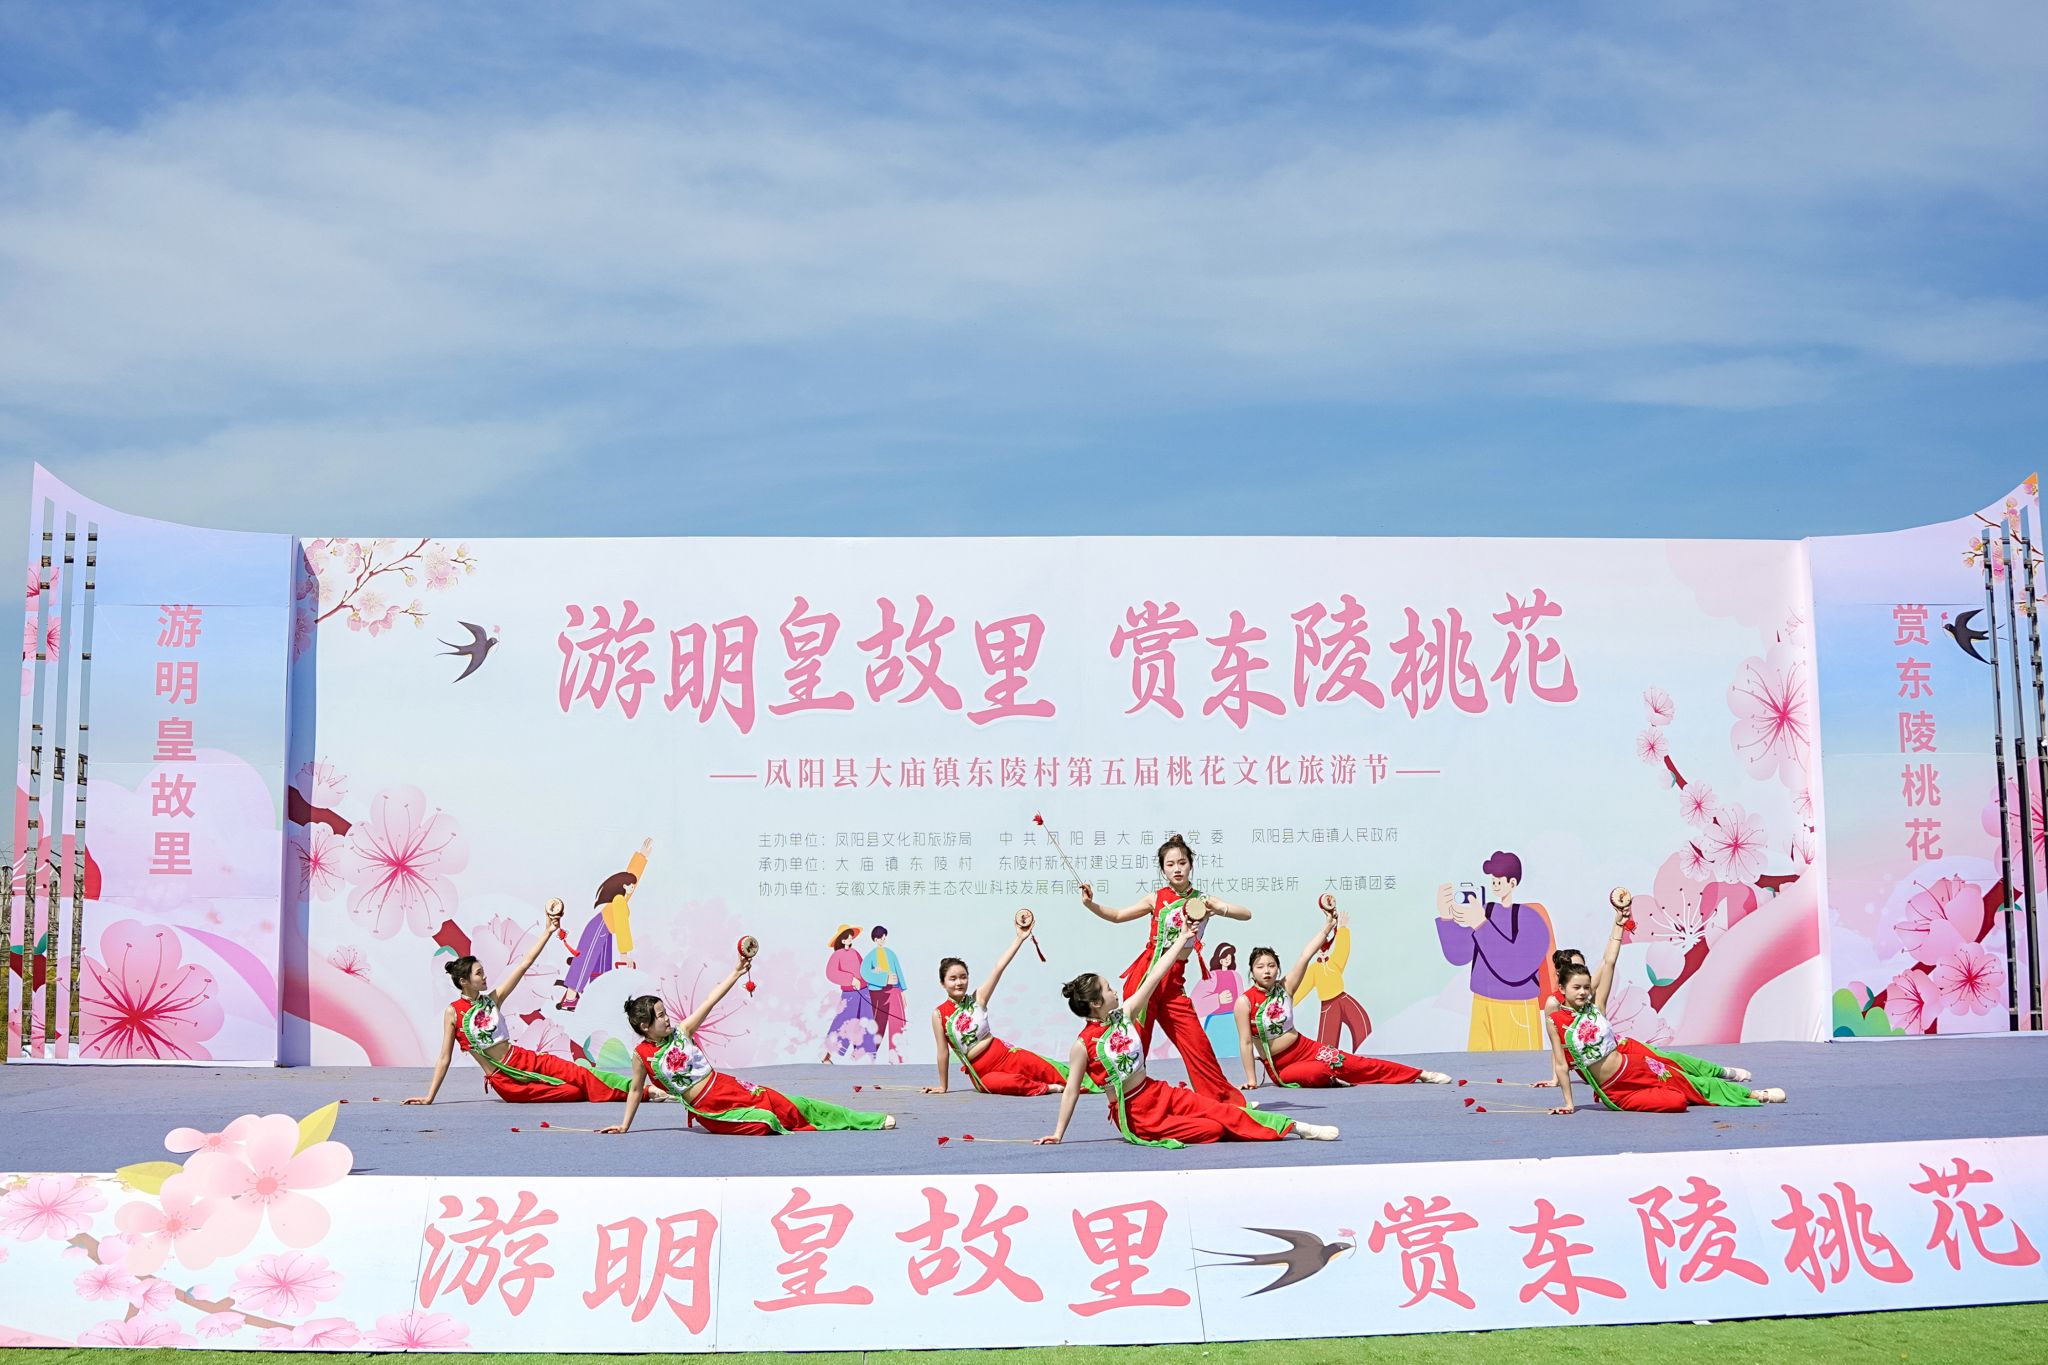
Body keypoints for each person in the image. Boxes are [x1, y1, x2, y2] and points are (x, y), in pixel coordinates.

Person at [1038, 925, 1337, 1148]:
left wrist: (1181, 941)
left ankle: (1293, 1127)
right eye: (1108, 989)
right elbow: (1071, 1091)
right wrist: (1057, 1133)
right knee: (1212, 1130)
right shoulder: (1082, 1046)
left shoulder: (1125, 1014)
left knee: (1220, 1110)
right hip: (1137, 1115)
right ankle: (1249, 1128)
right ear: (1095, 1003)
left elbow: (1155, 975)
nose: (1115, 990)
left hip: (1157, 1092)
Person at [607, 945, 896, 1136]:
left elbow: (710, 999)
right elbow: (636, 1090)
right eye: (660, 1016)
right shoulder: (641, 1056)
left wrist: (736, 972)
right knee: (765, 1121)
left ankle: (864, 1120)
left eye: (665, 1013)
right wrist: (624, 1125)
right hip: (710, 1110)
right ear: (645, 1026)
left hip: (727, 1087)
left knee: (790, 1105)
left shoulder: (682, 1031)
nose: (667, 1019)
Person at [1548, 891, 1785, 1114]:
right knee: (1676, 1101)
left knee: (1682, 1073)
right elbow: (1560, 1063)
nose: (1583, 992)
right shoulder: (1555, 1018)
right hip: (1616, 1090)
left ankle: (1750, 1093)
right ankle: (1688, 1088)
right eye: (1576, 988)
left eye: (1585, 987)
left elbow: (1608, 961)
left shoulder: (1595, 1007)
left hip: (1632, 1063)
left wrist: (1619, 923)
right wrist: (1568, 1103)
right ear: (1562, 987)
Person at [1079, 834, 1252, 1105]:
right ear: (1163, 870)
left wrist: (1221, 907)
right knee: (1135, 1042)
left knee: (1197, 1043)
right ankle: (1128, 1100)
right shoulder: (1155, 898)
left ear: (1191, 864)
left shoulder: (1203, 900)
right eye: (1170, 865)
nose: (1177, 869)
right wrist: (1090, 904)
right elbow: (1117, 916)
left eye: (1182, 862)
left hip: (1173, 982)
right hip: (1146, 977)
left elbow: (1246, 914)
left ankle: (1222, 1102)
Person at [407, 899, 628, 1104]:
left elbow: (524, 965)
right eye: (478, 973)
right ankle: (628, 1092)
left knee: (579, 1074)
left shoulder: (493, 1000)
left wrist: (548, 932)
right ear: (464, 981)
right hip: (506, 1081)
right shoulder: (453, 1012)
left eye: (483, 971)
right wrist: (429, 1097)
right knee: (573, 1092)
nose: (484, 976)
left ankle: (637, 1091)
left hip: (523, 1059)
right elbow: (444, 1057)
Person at [1237, 897, 1450, 1090]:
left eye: (1271, 966)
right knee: (1319, 1072)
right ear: (1252, 971)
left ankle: (1420, 1074)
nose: (1266, 971)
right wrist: (1252, 1080)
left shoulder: (1285, 987)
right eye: (1260, 967)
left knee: (1357, 1063)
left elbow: (1305, 955)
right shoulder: (1244, 1002)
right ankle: (1331, 1077)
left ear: (1278, 969)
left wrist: (1328, 926)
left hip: (1305, 1048)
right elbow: (1246, 1043)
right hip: (1281, 1067)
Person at [924, 911, 1092, 1096]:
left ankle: (1094, 1081)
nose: (959, 982)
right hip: (983, 1074)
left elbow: (999, 968)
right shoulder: (939, 1014)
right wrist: (943, 1087)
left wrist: (1019, 938)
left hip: (1005, 1054)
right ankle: (1048, 1088)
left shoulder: (978, 998)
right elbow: (943, 1052)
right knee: (1008, 1084)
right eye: (953, 978)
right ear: (942, 983)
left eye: (963, 977)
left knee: (1048, 1069)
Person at [1434, 851, 1557, 1050]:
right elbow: (1458, 955)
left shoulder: (1530, 918)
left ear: (1512, 883)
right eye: (1493, 881)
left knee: (1519, 1066)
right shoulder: (1485, 912)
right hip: (1481, 1003)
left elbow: (1516, 969)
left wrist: (1481, 924)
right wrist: (1446, 917)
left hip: (1516, 1007)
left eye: (1499, 881)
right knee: (1479, 1064)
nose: (1495, 885)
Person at [558, 837, 652, 1011]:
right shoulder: (619, 901)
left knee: (602, 965)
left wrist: (641, 857)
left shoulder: (622, 897)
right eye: (631, 885)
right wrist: (624, 955)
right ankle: (570, 998)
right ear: (624, 886)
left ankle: (595, 996)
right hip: (598, 928)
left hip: (604, 930)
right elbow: (623, 929)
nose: (633, 887)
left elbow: (632, 877)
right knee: (585, 960)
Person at [1295, 906, 1371, 1049]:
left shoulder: (1334, 962)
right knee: (1326, 1043)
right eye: (1319, 950)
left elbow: (1343, 949)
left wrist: (1342, 929)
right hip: (1328, 1006)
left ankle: (1364, 1056)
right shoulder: (1313, 970)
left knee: (1362, 1024)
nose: (1323, 952)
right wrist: (1285, 1006)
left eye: (1325, 949)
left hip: (1343, 998)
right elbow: (1302, 989)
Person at [823, 924, 876, 1061]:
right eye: (847, 937)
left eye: (851, 937)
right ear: (842, 940)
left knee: (865, 1021)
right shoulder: (837, 955)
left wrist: (873, 971)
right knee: (843, 1021)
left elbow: (863, 968)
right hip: (850, 994)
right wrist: (850, 979)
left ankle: (861, 1053)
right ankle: (828, 1054)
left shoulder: (855, 952)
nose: (850, 939)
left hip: (864, 992)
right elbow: (831, 973)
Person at [1190, 941, 1243, 1062]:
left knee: (1236, 1055)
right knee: (1215, 1056)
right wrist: (1218, 999)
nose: (1227, 960)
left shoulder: (1237, 976)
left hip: (1234, 1022)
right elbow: (1195, 1002)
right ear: (1219, 959)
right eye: (1224, 957)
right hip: (1216, 1022)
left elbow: (1242, 1000)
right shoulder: (1211, 977)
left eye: (1229, 957)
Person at [863, 924, 908, 1061]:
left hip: (894, 989)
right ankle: (870, 1053)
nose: (882, 940)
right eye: (880, 938)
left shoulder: (891, 954)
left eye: (884, 938)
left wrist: (903, 990)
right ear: (875, 939)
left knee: (898, 1021)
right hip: (878, 992)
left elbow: (898, 971)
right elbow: (865, 973)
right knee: (878, 1022)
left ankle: (896, 1055)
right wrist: (883, 978)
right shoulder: (871, 956)